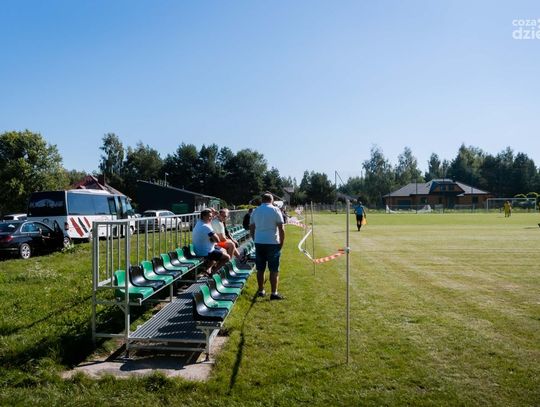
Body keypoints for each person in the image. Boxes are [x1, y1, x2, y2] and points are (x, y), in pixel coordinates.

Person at [250, 193, 285, 300]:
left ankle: (261, 290)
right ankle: (274, 293)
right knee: (274, 270)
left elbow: (251, 228)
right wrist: (281, 243)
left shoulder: (255, 211)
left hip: (259, 242)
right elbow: (281, 228)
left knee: (260, 269)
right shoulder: (275, 210)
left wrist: (255, 239)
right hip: (272, 242)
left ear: (262, 200)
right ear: (272, 200)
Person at [192, 209, 230, 274]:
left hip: (199, 250)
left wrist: (211, 239)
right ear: (204, 216)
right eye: (209, 216)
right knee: (227, 257)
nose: (211, 218)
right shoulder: (206, 227)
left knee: (223, 250)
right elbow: (217, 240)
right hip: (206, 252)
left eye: (212, 216)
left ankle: (208, 270)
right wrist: (212, 239)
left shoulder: (199, 223)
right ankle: (213, 273)